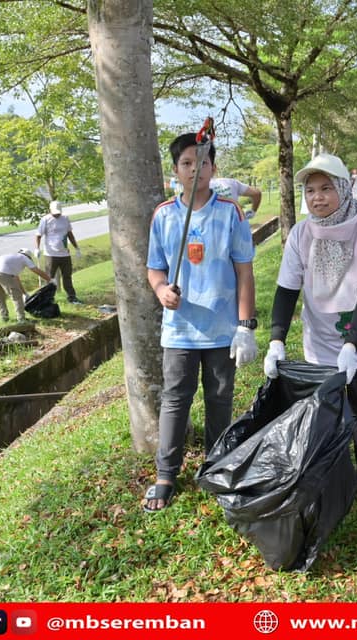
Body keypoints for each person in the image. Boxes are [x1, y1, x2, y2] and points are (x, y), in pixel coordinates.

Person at [262, 153, 357, 514]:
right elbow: (287, 290)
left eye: (326, 188)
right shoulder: (302, 233)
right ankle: (330, 476)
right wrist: (275, 340)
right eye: (310, 190)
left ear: (344, 189)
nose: (317, 197)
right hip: (319, 334)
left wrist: (351, 344)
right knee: (326, 410)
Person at [143, 132, 257, 513]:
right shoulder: (163, 215)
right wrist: (162, 291)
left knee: (220, 398)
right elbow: (155, 268)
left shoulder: (230, 212)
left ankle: (216, 464)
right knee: (175, 399)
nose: (196, 170)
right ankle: (165, 474)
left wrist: (245, 325)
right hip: (179, 331)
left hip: (223, 330)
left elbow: (244, 272)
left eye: (202, 162)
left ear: (214, 168)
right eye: (187, 164)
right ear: (175, 170)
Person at [0, 248, 54, 323]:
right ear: (28, 256)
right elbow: (36, 270)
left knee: (0, 297)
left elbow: (16, 279)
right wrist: (50, 280)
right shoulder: (24, 257)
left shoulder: (13, 258)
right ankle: (21, 319)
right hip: (2, 272)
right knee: (16, 296)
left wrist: (24, 293)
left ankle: (4, 318)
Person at [35, 200, 83, 304]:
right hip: (51, 254)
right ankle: (48, 299)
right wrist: (37, 248)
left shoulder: (65, 219)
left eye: (58, 212)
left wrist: (77, 248)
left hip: (65, 253)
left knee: (67, 276)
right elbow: (38, 235)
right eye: (55, 212)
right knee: (49, 277)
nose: (57, 214)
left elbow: (70, 234)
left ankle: (72, 297)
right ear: (50, 210)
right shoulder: (45, 220)